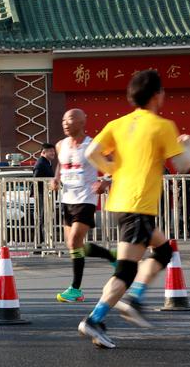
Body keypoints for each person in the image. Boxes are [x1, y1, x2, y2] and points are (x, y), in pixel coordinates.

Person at [78, 70, 190, 349]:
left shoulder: (118, 124)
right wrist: (188, 145)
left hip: (122, 201)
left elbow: (91, 152)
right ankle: (97, 318)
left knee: (164, 250)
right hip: (138, 204)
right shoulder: (162, 126)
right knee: (126, 271)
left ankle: (134, 299)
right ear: (156, 95)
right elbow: (182, 166)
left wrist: (114, 170)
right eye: (163, 92)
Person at [50, 109, 116, 303]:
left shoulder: (93, 145)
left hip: (86, 198)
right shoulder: (61, 145)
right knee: (74, 245)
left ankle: (75, 289)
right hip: (67, 199)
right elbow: (60, 165)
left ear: (82, 122)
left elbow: (114, 163)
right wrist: (55, 179)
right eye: (63, 119)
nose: (65, 123)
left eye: (70, 119)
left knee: (73, 243)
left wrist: (105, 180)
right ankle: (111, 255)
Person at [33, 143, 56, 245]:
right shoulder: (41, 163)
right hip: (43, 195)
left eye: (53, 151)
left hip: (47, 195)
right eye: (50, 151)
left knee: (46, 219)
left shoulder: (46, 162)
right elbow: (36, 178)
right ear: (43, 152)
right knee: (43, 219)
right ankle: (39, 244)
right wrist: (36, 193)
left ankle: (45, 243)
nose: (53, 153)